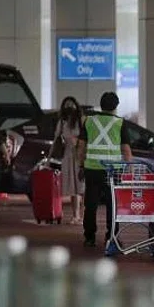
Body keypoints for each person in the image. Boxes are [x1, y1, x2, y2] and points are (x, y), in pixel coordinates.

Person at [77, 92, 133, 248]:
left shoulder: (89, 121)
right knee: (112, 204)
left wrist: (81, 165)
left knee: (91, 204)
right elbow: (126, 150)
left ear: (101, 105)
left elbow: (81, 147)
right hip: (112, 170)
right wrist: (127, 170)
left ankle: (89, 237)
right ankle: (112, 236)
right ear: (116, 106)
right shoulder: (120, 123)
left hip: (92, 168)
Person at [54, 96, 85, 224]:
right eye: (66, 105)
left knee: (82, 187)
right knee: (73, 187)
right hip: (68, 155)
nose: (69, 107)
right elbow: (56, 138)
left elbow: (87, 137)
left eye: (71, 105)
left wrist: (77, 141)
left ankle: (82, 215)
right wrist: (49, 158)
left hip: (80, 155)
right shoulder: (62, 121)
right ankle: (76, 215)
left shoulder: (81, 120)